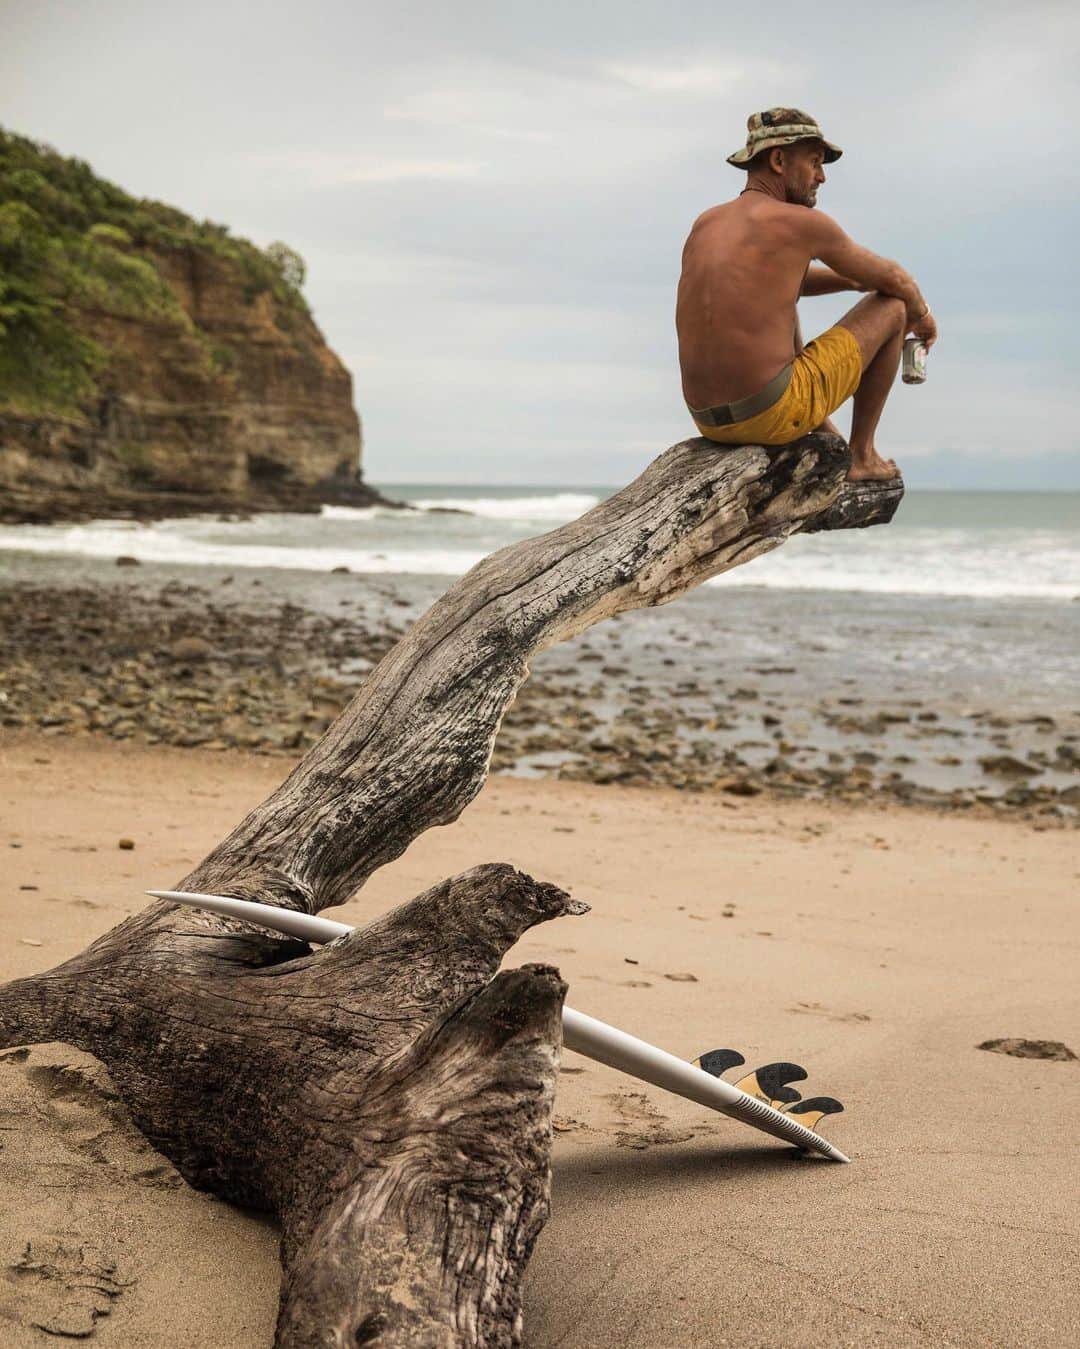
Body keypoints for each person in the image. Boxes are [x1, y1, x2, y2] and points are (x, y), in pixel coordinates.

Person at [676, 108, 938, 481]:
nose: (822, 176)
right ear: (779, 160)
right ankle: (862, 455)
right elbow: (897, 280)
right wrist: (923, 316)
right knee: (894, 306)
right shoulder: (804, 224)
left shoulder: (707, 223)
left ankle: (827, 434)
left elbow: (773, 286)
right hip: (768, 416)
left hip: (709, 421)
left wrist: (850, 280)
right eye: (814, 162)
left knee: (786, 306)